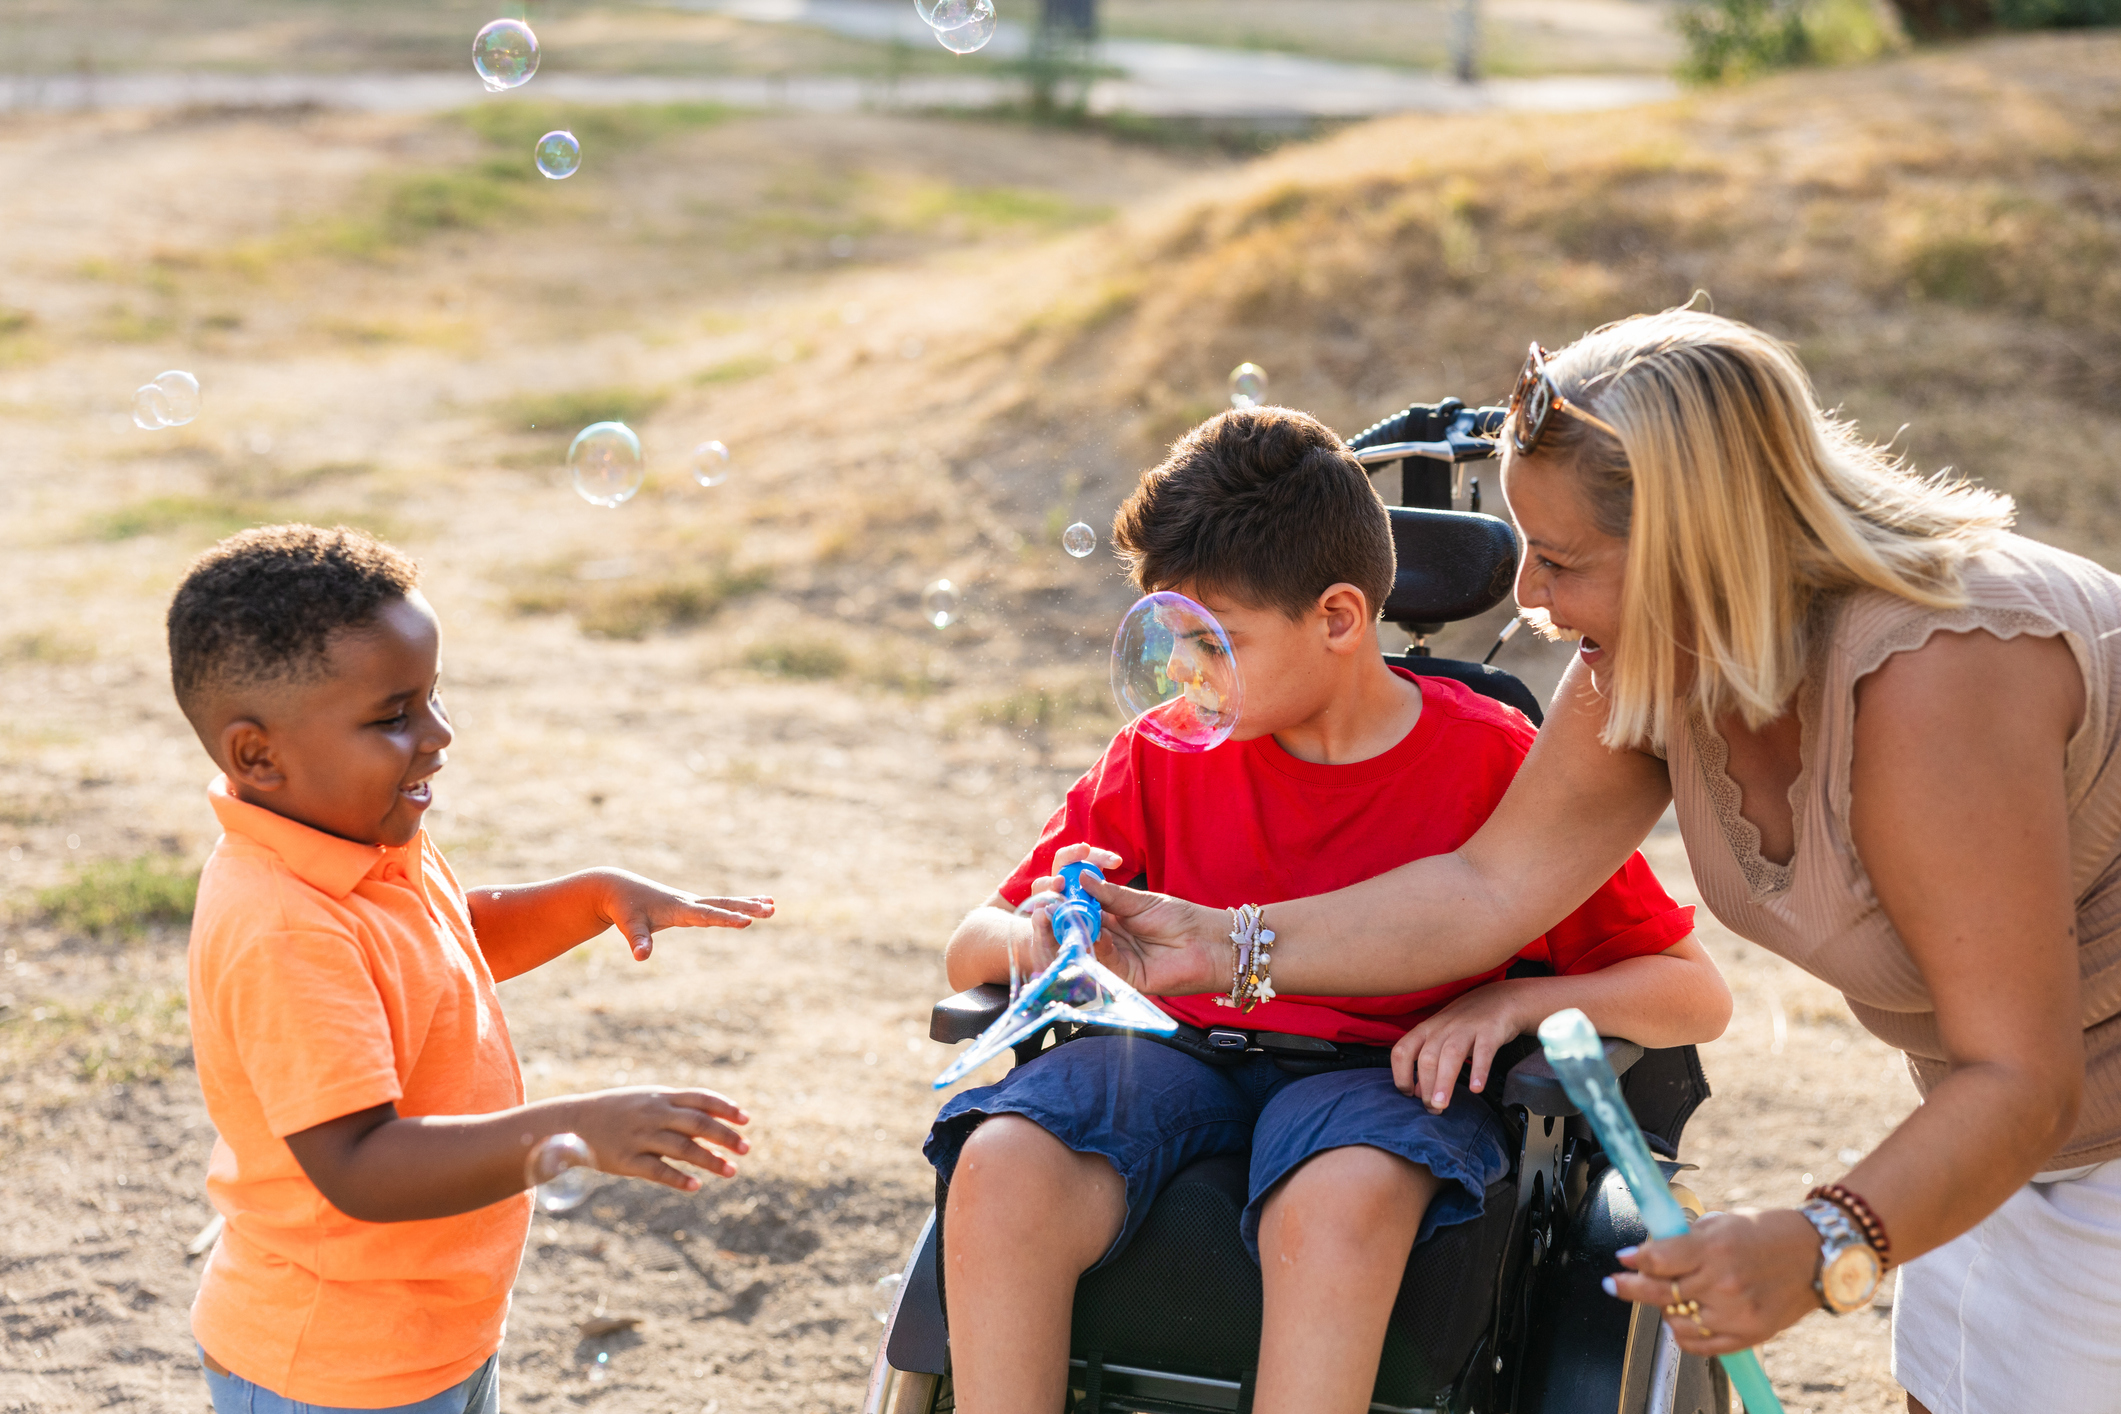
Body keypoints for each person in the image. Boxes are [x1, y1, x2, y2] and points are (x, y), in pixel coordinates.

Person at [1062, 309, 2121, 1414]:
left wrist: (1818, 1242)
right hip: (2004, 1132)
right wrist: (1223, 943)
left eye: (1562, 561)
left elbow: (2023, 1071)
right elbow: (1487, 888)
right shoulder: (1661, 655)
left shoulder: (1941, 671)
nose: (1531, 602)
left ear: (1701, 547)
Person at [928, 408, 1733, 1414]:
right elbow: (973, 944)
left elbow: (1693, 996)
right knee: (1002, 1163)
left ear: (1340, 620)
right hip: (1172, 1058)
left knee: (1338, 1199)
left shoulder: (1494, 765)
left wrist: (1516, 1006)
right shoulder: (1163, 755)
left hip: (1375, 1079)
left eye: (1213, 642)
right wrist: (1037, 937)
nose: (1182, 672)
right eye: (1171, 639)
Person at [170, 525, 775, 1413]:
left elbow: (449, 943)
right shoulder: (283, 924)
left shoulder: (363, 840)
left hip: (429, 1337)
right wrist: (573, 1129)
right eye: (392, 717)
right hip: (334, 1368)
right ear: (257, 755)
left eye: (432, 698)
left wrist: (587, 897)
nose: (439, 735)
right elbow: (358, 1162)